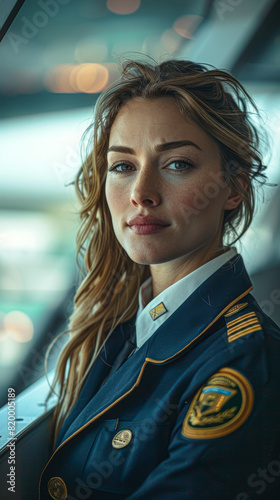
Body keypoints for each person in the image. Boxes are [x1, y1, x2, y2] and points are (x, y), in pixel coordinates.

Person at [39, 59, 280, 500]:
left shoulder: (242, 364)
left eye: (177, 164)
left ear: (233, 188)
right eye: (123, 166)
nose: (141, 193)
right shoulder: (124, 330)